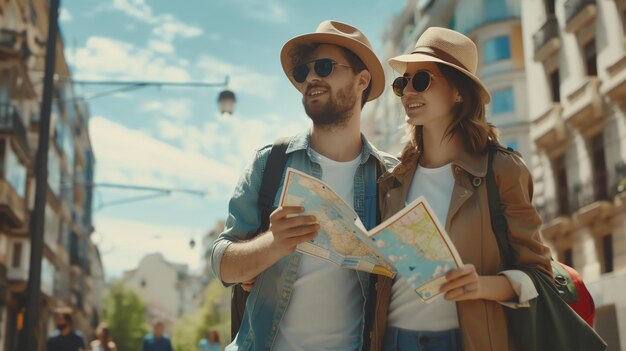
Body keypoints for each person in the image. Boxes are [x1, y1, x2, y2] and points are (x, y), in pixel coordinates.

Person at [210, 20, 396, 350]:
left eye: (324, 67)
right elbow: (223, 264)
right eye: (303, 72)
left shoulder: (392, 177)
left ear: (361, 80)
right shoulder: (270, 162)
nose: (311, 78)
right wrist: (273, 244)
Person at [371, 27, 552, 351]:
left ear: (459, 92)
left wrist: (483, 286)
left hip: (468, 342)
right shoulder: (392, 178)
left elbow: (539, 276)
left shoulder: (502, 170)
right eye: (403, 83)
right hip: (393, 341)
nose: (409, 91)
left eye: (422, 80)